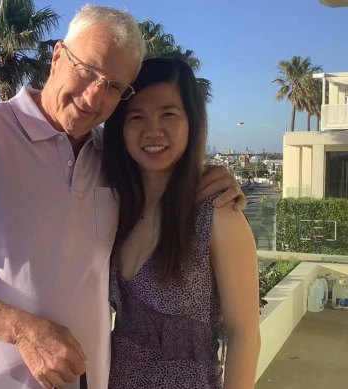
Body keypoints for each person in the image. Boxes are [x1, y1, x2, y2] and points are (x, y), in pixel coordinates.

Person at [0, 6, 246, 389]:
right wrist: (22, 331)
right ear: (57, 57)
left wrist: (212, 179)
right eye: (87, 71)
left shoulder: (110, 163)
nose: (94, 96)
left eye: (113, 87)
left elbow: (162, 186)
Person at [103, 58, 260, 389]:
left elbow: (244, 333)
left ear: (192, 122)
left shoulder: (216, 213)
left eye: (168, 114)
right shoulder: (116, 208)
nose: (153, 130)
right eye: (136, 117)